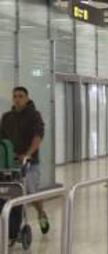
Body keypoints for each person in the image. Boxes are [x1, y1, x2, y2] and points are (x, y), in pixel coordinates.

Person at [0, 87, 50, 235]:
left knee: (31, 192)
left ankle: (41, 213)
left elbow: (38, 136)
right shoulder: (7, 117)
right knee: (11, 193)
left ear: (27, 98)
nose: (17, 99)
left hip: (30, 162)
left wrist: (28, 154)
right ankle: (12, 226)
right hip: (10, 163)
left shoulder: (35, 116)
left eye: (21, 96)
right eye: (15, 96)